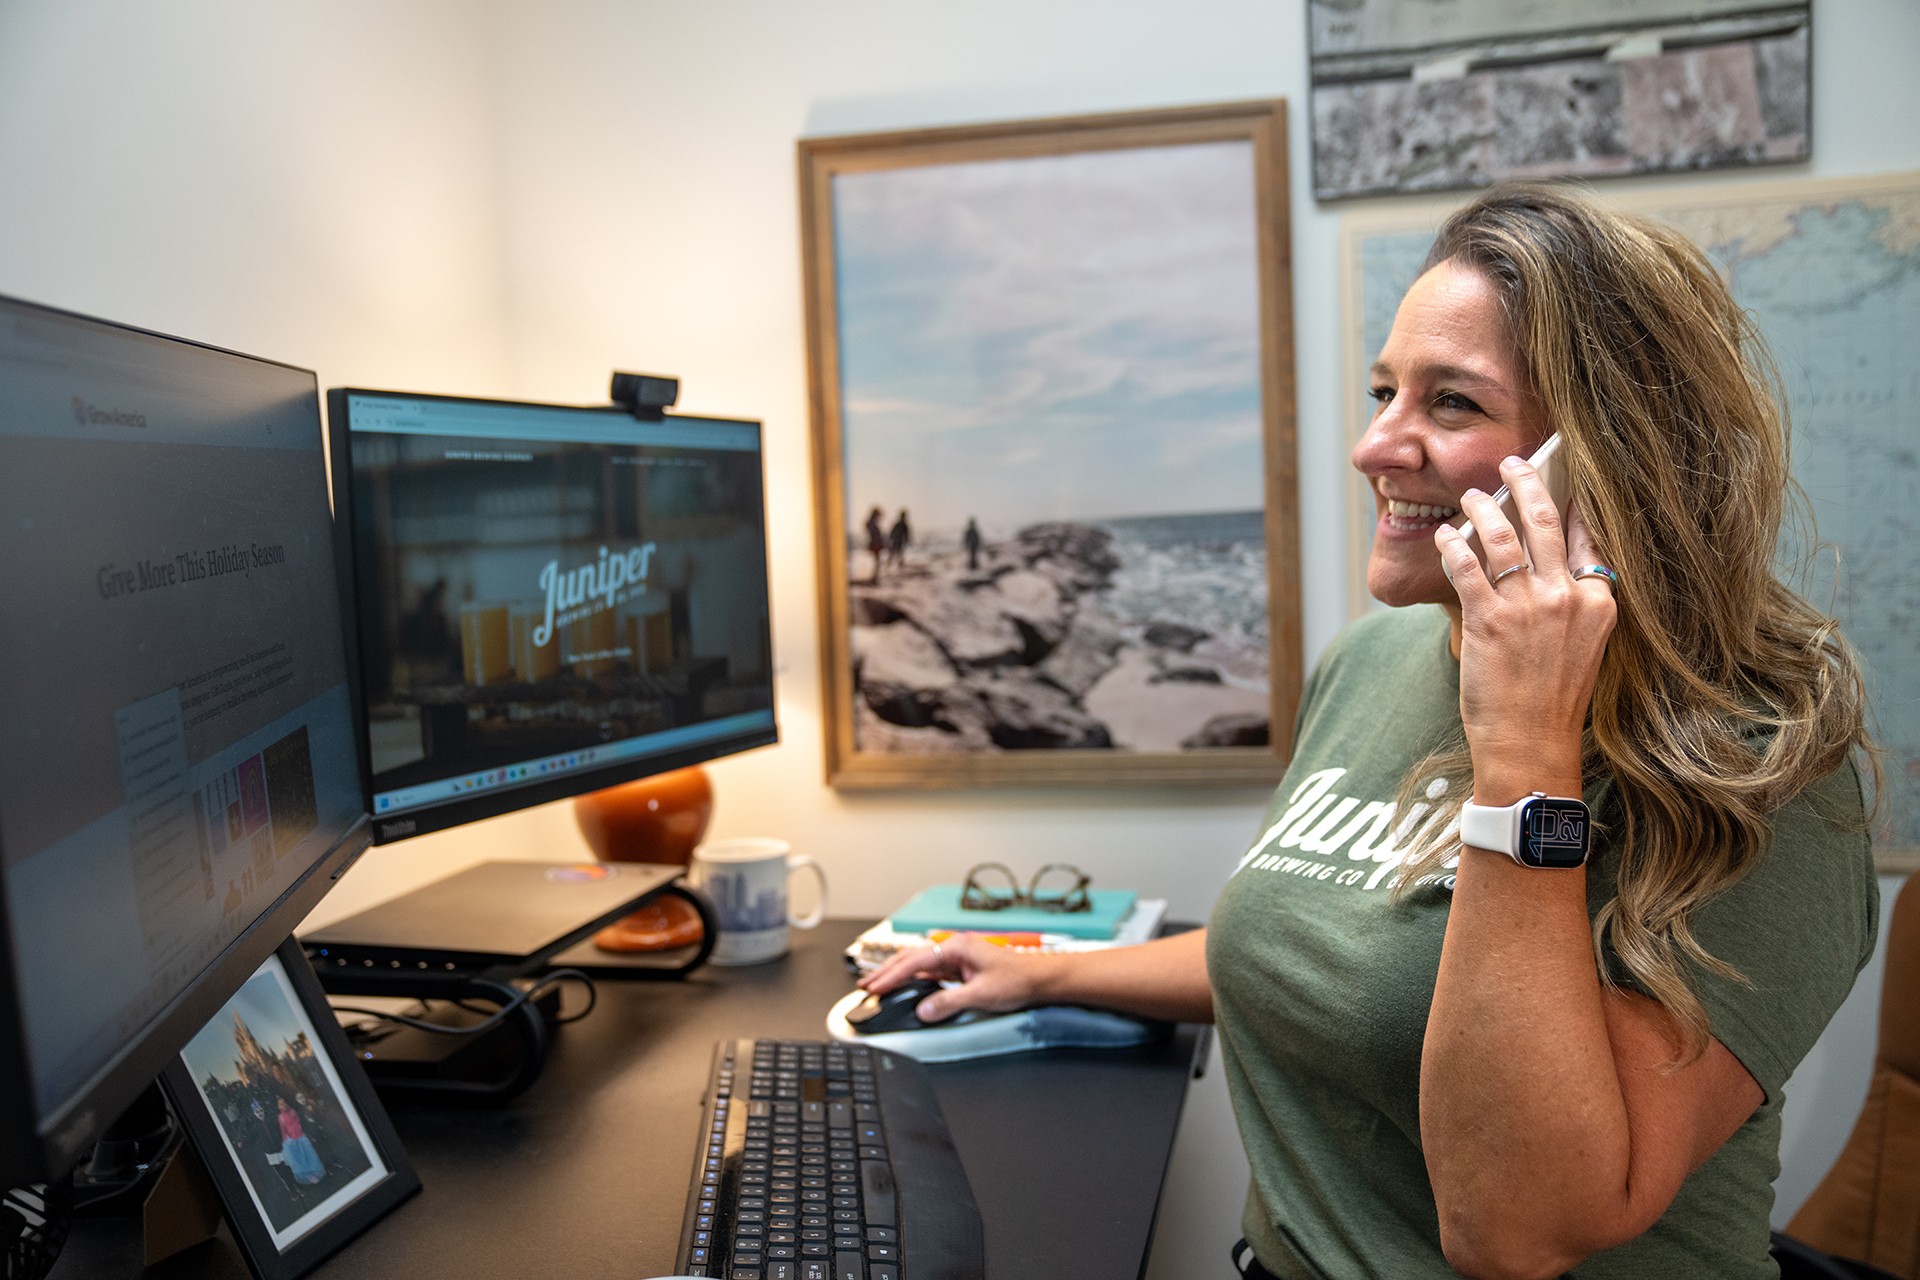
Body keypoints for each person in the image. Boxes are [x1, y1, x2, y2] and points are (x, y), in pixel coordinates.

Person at [861, 182, 1878, 1279]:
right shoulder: (1374, 659)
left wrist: (1526, 748)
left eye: (1450, 404)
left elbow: (1517, 1228)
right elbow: (1329, 938)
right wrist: (1048, 972)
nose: (1374, 445)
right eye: (1385, 390)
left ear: (1601, 463)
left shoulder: (1759, 763)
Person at [277, 1096, 326, 1186]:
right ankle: (308, 1176)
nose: (283, 1105)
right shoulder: (280, 1117)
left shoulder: (293, 1111)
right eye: (280, 1104)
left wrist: (305, 1134)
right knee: (299, 1160)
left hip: (301, 1137)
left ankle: (314, 1173)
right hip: (291, 1141)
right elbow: (283, 1130)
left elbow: (300, 1123)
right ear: (278, 1106)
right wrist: (285, 1144)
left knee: (309, 1155)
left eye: (284, 1102)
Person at [863, 505, 886, 584]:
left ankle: (875, 577)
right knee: (877, 561)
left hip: (876, 544)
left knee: (877, 562)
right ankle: (874, 578)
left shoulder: (872, 523)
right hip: (875, 544)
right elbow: (874, 534)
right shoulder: (871, 523)